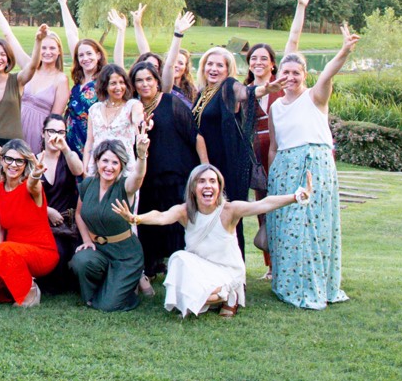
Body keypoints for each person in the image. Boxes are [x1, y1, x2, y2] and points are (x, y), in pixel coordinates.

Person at [120, 164, 310, 319]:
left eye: (212, 181)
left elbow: (263, 204)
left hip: (227, 272)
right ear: (193, 187)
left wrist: (295, 197)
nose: (207, 186)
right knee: (177, 258)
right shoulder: (186, 211)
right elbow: (161, 216)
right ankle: (217, 298)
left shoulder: (229, 210)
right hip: (201, 270)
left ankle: (229, 295)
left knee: (195, 296)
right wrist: (136, 219)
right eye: (201, 181)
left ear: (219, 187)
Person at [267, 24, 359, 310]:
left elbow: (330, 71)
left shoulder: (316, 97)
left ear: (305, 75)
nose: (291, 77)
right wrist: (272, 176)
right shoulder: (275, 107)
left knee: (310, 227)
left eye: (296, 73)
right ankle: (287, 284)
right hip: (283, 167)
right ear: (279, 75)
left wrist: (343, 50)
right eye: (286, 72)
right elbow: (273, 145)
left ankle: (314, 285)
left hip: (313, 166)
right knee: (285, 227)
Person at [246, 0, 316, 279]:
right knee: (264, 207)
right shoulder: (244, 90)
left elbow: (294, 42)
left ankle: (296, 260)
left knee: (290, 204)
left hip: (282, 149)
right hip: (257, 155)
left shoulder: (283, 85)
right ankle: (271, 265)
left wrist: (300, 6)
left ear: (274, 65)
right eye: (253, 59)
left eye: (264, 58)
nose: (258, 62)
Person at [133, 14, 200, 281]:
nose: (145, 84)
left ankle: (182, 271)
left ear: (157, 80)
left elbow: (197, 138)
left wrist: (177, 35)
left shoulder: (170, 102)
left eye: (150, 79)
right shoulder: (134, 108)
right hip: (148, 177)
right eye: (139, 80)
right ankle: (150, 268)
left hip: (175, 175)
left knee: (176, 226)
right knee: (150, 223)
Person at [0, 0, 70, 152]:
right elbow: (8, 36)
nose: (47, 52)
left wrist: (47, 144)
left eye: (52, 48)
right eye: (44, 47)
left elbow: (55, 118)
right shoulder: (29, 66)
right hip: (14, 127)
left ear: (59, 52)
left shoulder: (60, 80)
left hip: (38, 133)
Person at [71, 132, 152, 312]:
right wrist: (86, 240)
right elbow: (78, 214)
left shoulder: (126, 186)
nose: (109, 167)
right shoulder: (87, 185)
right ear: (97, 162)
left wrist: (141, 155)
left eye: (115, 162)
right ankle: (104, 289)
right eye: (105, 161)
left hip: (125, 254)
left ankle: (128, 288)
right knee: (81, 261)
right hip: (98, 249)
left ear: (122, 165)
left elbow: (138, 176)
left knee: (107, 306)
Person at [192, 41, 255, 257]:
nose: (213, 69)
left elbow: (245, 93)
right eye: (209, 64)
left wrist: (262, 89)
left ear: (228, 70)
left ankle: (237, 272)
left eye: (219, 65)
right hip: (206, 165)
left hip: (226, 167)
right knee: (208, 218)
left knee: (230, 219)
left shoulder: (228, 87)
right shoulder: (203, 93)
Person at [0, 140, 59, 307]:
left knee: (5, 250)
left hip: (42, 252)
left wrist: (37, 174)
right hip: (12, 251)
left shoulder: (31, 187)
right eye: (9, 159)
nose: (13, 165)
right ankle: (19, 281)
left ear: (25, 164)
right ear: (1, 160)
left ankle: (30, 290)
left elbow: (34, 185)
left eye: (19, 161)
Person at [36, 112, 85, 293]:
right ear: (43, 133)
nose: (55, 135)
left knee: (69, 254)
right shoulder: (35, 159)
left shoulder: (68, 157)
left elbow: (79, 170)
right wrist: (46, 210)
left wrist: (65, 148)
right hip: (41, 220)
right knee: (55, 252)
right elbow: (26, 195)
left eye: (61, 132)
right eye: (51, 131)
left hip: (68, 223)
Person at [83, 64, 144, 181]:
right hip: (97, 168)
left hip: (123, 169)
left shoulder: (132, 105)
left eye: (122, 82)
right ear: (105, 85)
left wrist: (142, 124)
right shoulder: (94, 109)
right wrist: (85, 166)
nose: (118, 87)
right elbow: (90, 141)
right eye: (113, 83)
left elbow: (138, 118)